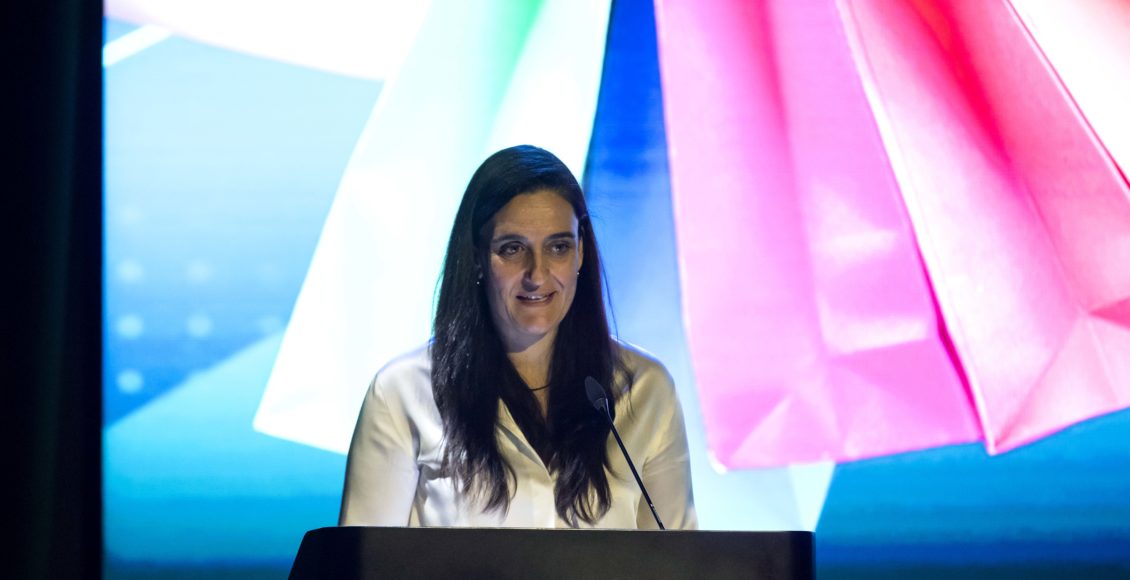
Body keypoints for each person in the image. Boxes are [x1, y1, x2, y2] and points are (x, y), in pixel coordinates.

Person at [339, 145, 696, 529]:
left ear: (580, 253)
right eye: (512, 249)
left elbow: (678, 555)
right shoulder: (403, 392)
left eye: (558, 247)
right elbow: (362, 558)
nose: (537, 275)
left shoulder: (645, 389)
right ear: (476, 258)